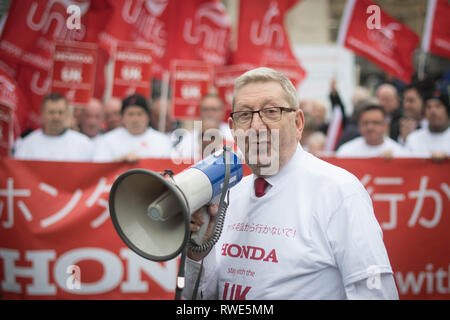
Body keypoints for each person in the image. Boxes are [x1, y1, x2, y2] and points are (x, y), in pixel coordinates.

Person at [183, 68, 398, 300]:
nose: (256, 126)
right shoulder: (230, 195)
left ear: (298, 123)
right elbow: (203, 298)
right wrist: (199, 253)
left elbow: (375, 294)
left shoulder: (338, 191)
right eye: (244, 115)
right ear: (233, 129)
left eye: (271, 111)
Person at [14, 93, 94, 161]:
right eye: (51, 112)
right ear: (42, 114)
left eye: (60, 112)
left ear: (67, 114)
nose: (56, 117)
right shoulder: (27, 144)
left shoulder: (84, 144)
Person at [92, 94, 173, 162]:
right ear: (122, 117)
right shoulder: (107, 140)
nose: (135, 119)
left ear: (148, 117)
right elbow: (99, 168)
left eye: (139, 114)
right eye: (130, 114)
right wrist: (120, 161)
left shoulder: (162, 140)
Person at [336, 104, 405, 158]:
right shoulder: (345, 152)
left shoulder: (399, 153)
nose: (370, 127)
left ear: (385, 125)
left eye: (375, 123)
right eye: (365, 123)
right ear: (359, 125)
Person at [404, 89, 450, 159]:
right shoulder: (414, 139)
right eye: (428, 107)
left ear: (447, 111)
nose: (433, 111)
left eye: (438, 106)